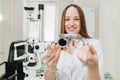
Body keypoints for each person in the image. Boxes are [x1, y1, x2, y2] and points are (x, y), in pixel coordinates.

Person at [41, 4, 104, 80]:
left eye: (76, 19)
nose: (71, 23)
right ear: (63, 23)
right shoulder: (56, 48)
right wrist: (51, 65)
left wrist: (92, 66)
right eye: (67, 19)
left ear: (82, 22)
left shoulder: (93, 44)